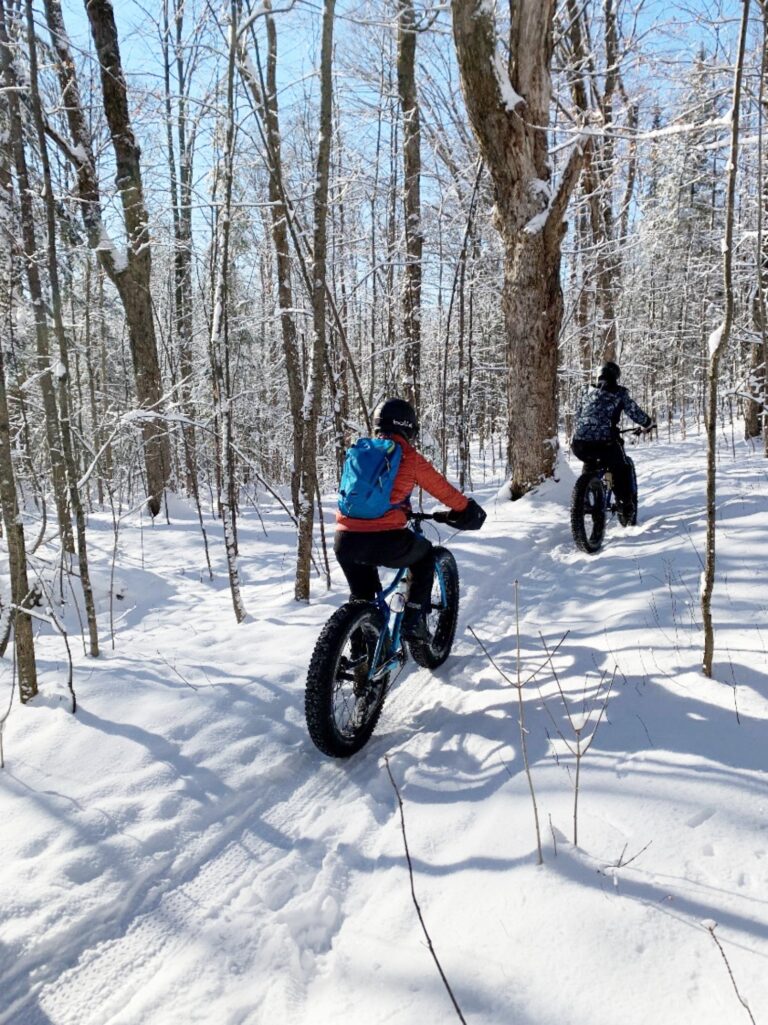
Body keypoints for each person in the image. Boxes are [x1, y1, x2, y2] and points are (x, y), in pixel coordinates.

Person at [334, 397, 485, 642]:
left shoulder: (360, 451)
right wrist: (467, 509)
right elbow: (444, 491)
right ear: (409, 427)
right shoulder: (409, 457)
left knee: (363, 600)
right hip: (387, 540)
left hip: (345, 539)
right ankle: (413, 621)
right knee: (425, 556)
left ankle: (358, 657)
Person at [571, 362, 654, 524]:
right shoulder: (619, 393)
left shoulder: (585, 391)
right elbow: (635, 413)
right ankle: (625, 504)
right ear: (616, 376)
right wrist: (648, 424)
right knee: (622, 467)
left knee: (590, 461)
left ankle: (585, 497)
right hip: (605, 444)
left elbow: (579, 415)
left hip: (579, 444)